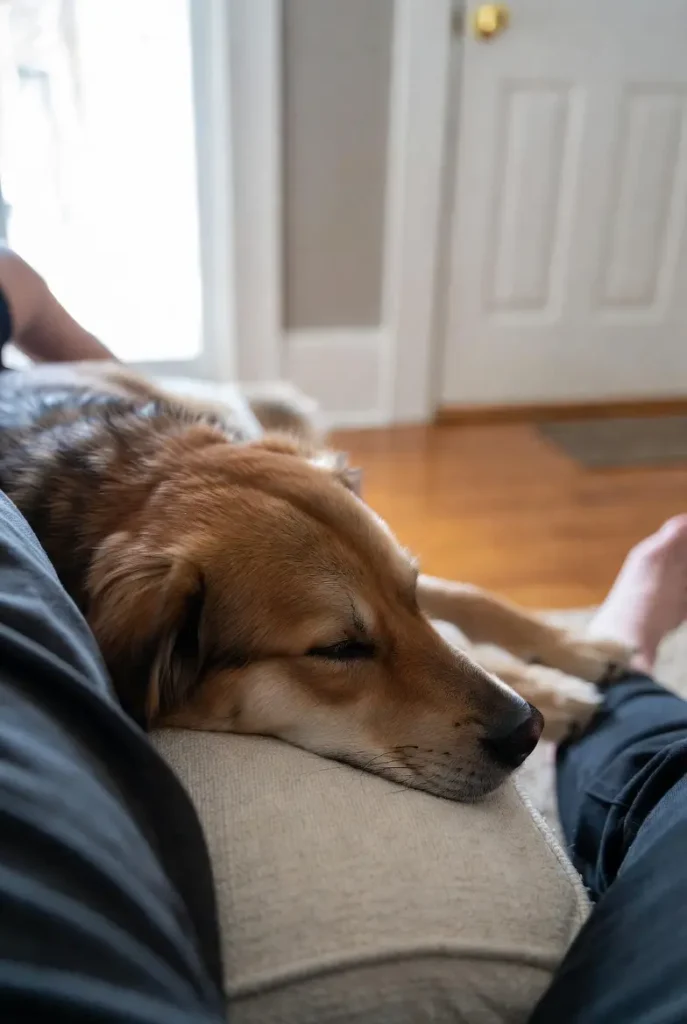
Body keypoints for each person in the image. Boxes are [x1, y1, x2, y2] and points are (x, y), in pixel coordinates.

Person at [0, 245, 686, 1021]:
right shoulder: (139, 613)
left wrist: (515, 637)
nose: (506, 719)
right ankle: (628, 639)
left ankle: (591, 638)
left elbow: (381, 602)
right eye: (341, 650)